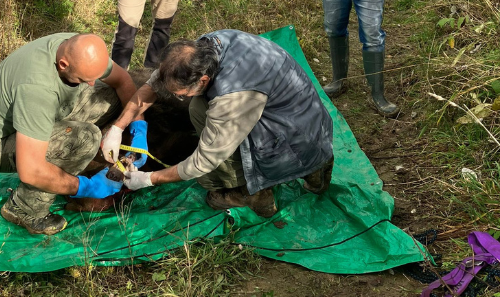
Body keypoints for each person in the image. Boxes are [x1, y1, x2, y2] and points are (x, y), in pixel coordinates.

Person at [108, 31, 336, 218]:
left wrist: (149, 179)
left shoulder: (232, 96)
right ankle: (318, 167)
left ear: (203, 80)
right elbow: (152, 87)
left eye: (178, 94)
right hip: (304, 115)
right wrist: (118, 128)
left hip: (292, 135)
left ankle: (250, 192)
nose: (177, 96)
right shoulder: (203, 49)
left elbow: (203, 162)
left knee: (206, 140)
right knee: (198, 106)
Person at [0, 32, 140, 235]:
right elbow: (30, 170)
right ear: (64, 65)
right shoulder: (37, 90)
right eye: (84, 79)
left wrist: (139, 128)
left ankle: (71, 163)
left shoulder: (78, 48)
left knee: (109, 94)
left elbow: (122, 81)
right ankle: (23, 208)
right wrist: (84, 187)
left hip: (35, 115)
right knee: (85, 139)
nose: (91, 84)